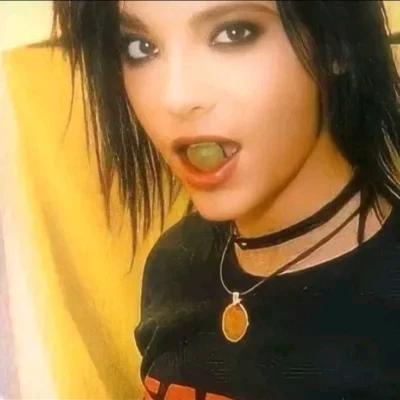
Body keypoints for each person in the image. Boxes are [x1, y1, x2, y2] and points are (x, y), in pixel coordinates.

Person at [52, 1, 400, 399]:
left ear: (334, 43)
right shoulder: (174, 261)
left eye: (234, 33)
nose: (176, 98)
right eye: (139, 47)